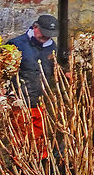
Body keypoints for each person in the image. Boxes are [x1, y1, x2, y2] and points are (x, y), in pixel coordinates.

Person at [5, 14, 58, 160]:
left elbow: (55, 71)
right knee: (20, 139)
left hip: (40, 101)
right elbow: (2, 73)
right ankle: (19, 167)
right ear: (35, 27)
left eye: (50, 36)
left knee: (40, 137)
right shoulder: (15, 45)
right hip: (19, 102)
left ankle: (40, 166)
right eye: (44, 34)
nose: (47, 38)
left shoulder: (52, 47)